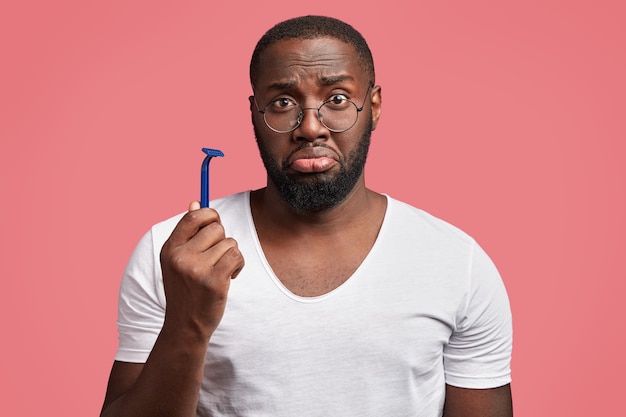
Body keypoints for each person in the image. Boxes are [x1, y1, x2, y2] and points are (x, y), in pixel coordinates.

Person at [100, 15, 513, 417]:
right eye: (283, 102)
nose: (311, 128)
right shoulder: (174, 255)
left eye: (336, 99)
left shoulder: (457, 262)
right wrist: (187, 323)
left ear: (374, 106)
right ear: (254, 113)